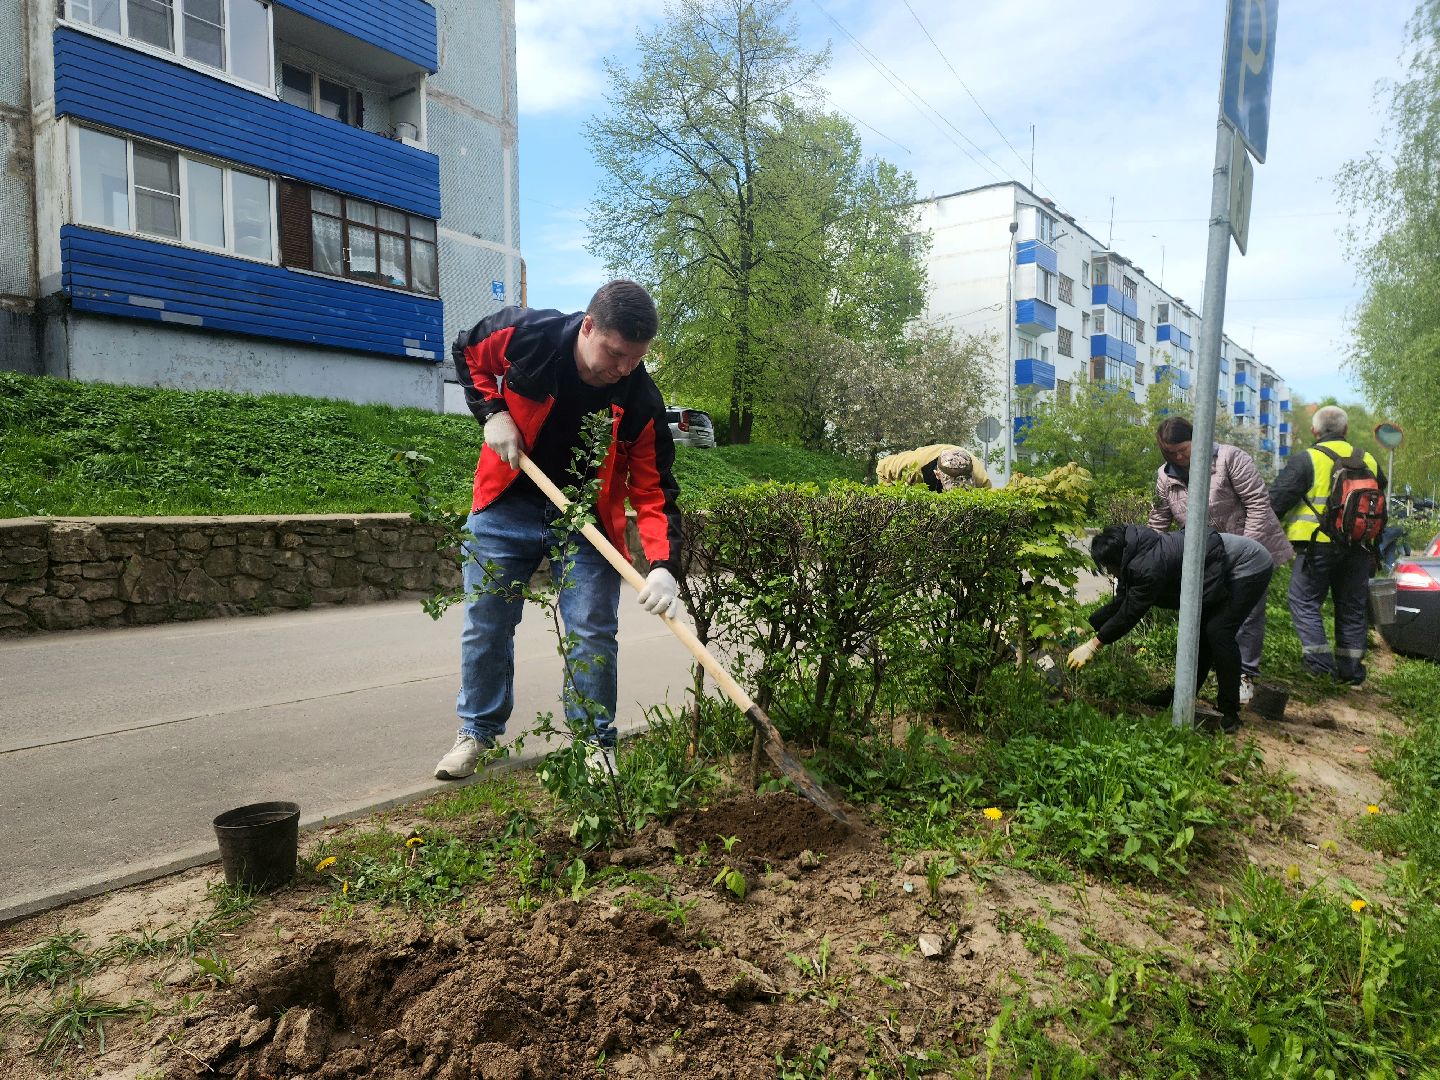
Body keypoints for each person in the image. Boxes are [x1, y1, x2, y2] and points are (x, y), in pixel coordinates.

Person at [434, 281, 683, 781]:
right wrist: (493, 412)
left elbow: (653, 491)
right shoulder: (531, 335)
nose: (623, 368)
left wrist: (662, 566)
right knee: (487, 623)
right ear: (588, 326)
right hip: (507, 501)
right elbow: (467, 350)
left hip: (586, 521)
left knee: (593, 631)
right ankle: (476, 731)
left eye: (635, 358)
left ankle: (594, 742)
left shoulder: (639, 398)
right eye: (615, 354)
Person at [1067, 524, 1274, 733]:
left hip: (1247, 564)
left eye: (1108, 568)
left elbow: (1130, 613)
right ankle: (1181, 696)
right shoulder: (1133, 557)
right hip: (1220, 561)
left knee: (1219, 632)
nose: (1110, 573)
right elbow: (1122, 602)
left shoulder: (1148, 566)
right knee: (1202, 634)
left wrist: (1094, 645)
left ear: (1117, 560)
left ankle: (1229, 714)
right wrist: (1087, 626)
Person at [1148, 416, 1293, 704]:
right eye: (1171, 452)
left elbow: (1258, 504)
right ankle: (1205, 675)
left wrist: (1248, 548)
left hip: (1249, 548)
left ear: (1197, 439)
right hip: (1208, 557)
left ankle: (1244, 676)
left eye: (1184, 450)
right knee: (1210, 618)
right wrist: (1149, 557)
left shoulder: (1229, 458)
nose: (1178, 457)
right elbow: (1160, 518)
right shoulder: (1165, 477)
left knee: (1248, 615)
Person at [1269, 405, 1385, 685]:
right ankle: (1351, 672)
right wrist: (1375, 548)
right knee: (1352, 606)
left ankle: (1320, 665)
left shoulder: (1307, 459)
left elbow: (1275, 502)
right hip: (1358, 546)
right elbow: (1378, 507)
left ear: (1314, 431)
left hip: (1316, 546)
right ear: (1345, 430)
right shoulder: (1368, 459)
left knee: (1304, 601)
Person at [876, 444, 992, 492]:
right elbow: (883, 468)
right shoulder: (912, 463)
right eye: (952, 485)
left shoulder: (979, 477)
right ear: (937, 474)